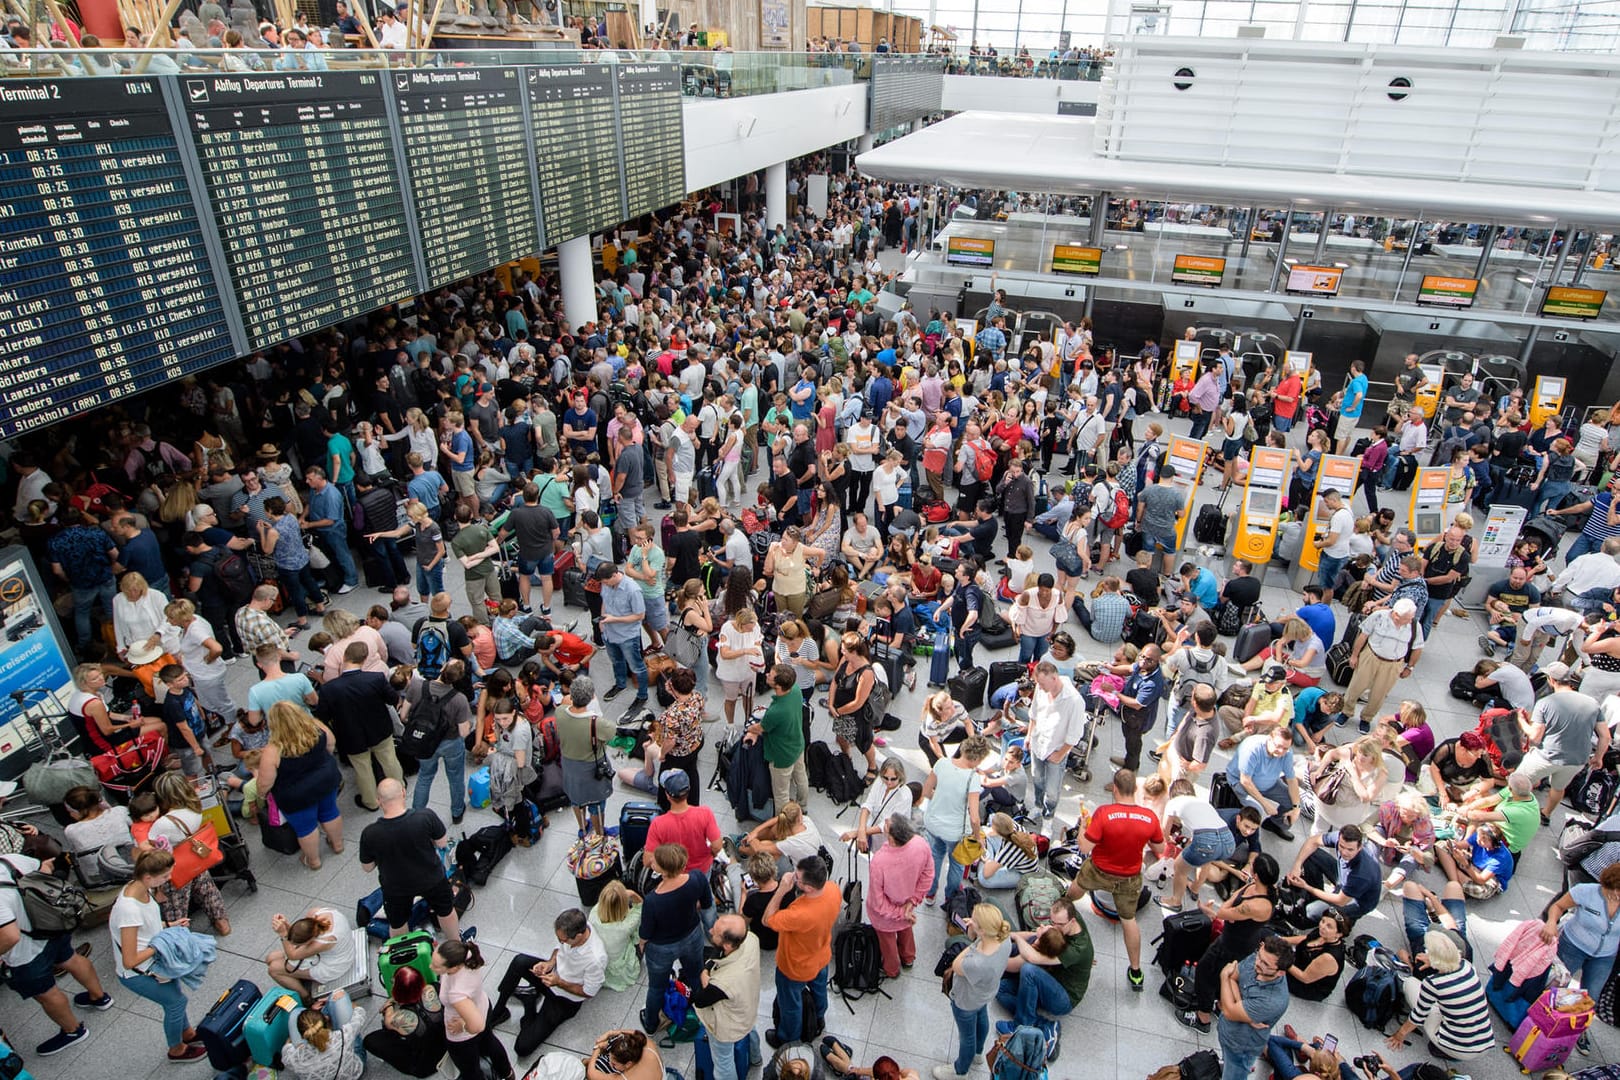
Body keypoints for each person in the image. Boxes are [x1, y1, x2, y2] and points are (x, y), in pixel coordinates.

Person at [1063, 768, 1163, 990]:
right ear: (1135, 789)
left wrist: (1083, 825)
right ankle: (1136, 971)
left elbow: (1084, 847)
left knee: (1074, 890)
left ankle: (1058, 918)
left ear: (1115, 788)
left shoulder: (1104, 813)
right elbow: (1161, 847)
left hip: (1099, 869)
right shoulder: (1150, 817)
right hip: (1129, 877)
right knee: (1129, 920)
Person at [1179, 853, 1280, 1033]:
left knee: (1205, 971)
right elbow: (1230, 907)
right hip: (1237, 938)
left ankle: (1203, 1017)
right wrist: (1230, 910)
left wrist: (1223, 910)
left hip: (1233, 944)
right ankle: (1218, 1005)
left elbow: (1224, 911)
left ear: (1256, 874)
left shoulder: (1256, 904)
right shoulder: (1258, 888)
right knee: (1221, 974)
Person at [485, 908, 606, 1057]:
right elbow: (559, 948)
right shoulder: (576, 927)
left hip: (565, 1000)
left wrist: (559, 982)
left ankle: (530, 1002)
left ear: (579, 936)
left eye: (564, 940)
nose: (561, 942)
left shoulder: (595, 958)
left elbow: (589, 992)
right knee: (519, 961)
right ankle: (499, 1010)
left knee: (522, 1048)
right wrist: (549, 963)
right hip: (552, 976)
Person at [358, 778, 462, 941]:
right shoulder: (425, 816)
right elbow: (442, 843)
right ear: (404, 793)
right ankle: (456, 944)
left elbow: (367, 867)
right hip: (432, 878)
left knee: (398, 922)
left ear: (379, 801)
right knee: (446, 911)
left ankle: (402, 952)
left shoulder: (370, 833)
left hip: (395, 887)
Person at [316, 640, 405, 812]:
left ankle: (371, 802)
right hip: (380, 730)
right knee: (389, 761)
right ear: (364, 660)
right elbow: (393, 700)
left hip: (351, 737)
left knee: (362, 769)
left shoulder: (330, 689)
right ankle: (398, 789)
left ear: (345, 658)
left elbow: (321, 717)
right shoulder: (376, 679)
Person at [992, 896, 1093, 1046]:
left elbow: (1032, 958)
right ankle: (1043, 1024)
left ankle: (1021, 1025)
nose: (1053, 927)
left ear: (1072, 921)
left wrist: (1015, 938)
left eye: (1059, 924)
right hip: (1050, 976)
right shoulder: (1069, 921)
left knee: (1029, 970)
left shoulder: (1077, 949)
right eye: (1052, 922)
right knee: (1001, 989)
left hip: (1064, 996)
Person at [763, 855, 842, 1047]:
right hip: (821, 955)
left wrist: (782, 889)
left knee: (790, 1005)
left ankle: (788, 1037)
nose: (791, 877)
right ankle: (819, 1017)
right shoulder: (833, 889)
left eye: (796, 877)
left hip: (795, 967)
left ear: (808, 888)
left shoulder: (798, 915)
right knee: (819, 989)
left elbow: (767, 919)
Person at [258, 702, 345, 872]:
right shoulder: (315, 727)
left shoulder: (273, 750)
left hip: (295, 794)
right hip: (326, 779)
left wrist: (261, 795)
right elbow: (331, 743)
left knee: (306, 827)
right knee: (330, 812)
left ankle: (314, 861)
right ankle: (338, 845)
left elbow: (265, 782)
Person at [1519, 660, 1607, 822]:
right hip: (1577, 760)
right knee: (1558, 787)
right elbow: (1605, 736)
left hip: (1547, 756)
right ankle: (1546, 814)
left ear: (1551, 680)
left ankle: (1515, 814)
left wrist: (1521, 721)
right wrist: (1598, 758)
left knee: (1518, 783)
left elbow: (1535, 736)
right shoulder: (1592, 703)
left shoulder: (1545, 703)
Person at [638, 842, 712, 1033]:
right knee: (696, 974)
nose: (651, 861)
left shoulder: (652, 900)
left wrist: (641, 945)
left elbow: (645, 933)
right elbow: (705, 903)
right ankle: (702, 1011)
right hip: (692, 936)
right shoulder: (696, 878)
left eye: (656, 862)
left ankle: (651, 1024)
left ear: (663, 870)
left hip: (661, 947)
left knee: (657, 987)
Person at [1385, 930, 1492, 1061]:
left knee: (1410, 983)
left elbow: (1419, 1015)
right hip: (1485, 1042)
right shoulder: (1468, 967)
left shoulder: (1433, 983)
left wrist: (1399, 1034)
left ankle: (1443, 1046)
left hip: (1459, 1048)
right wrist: (1435, 961)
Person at [148, 771, 231, 935]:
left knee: (175, 906)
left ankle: (179, 934)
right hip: (196, 857)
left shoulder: (163, 824)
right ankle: (222, 923)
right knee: (208, 891)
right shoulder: (195, 806)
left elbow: (153, 847)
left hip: (177, 868)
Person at [936, 903, 1013, 1080]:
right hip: (985, 993)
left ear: (984, 931)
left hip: (966, 1000)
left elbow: (957, 964)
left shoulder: (977, 962)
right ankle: (978, 1053)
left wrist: (972, 939)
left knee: (966, 1037)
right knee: (982, 1018)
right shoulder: (1005, 939)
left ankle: (960, 1070)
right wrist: (977, 931)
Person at [920, 735, 991, 905]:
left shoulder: (942, 763)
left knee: (935, 857)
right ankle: (951, 898)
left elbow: (926, 791)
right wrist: (978, 837)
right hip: (955, 832)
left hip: (933, 823)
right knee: (957, 864)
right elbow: (974, 817)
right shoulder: (972, 778)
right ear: (978, 758)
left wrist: (940, 800)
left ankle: (930, 894)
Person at [692, 913, 762, 1080]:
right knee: (750, 1030)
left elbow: (700, 1000)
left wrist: (704, 974)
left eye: (714, 933)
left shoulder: (723, 982)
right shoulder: (751, 939)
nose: (709, 930)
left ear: (729, 945)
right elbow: (719, 951)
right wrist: (709, 966)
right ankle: (756, 1059)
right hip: (747, 1007)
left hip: (727, 1026)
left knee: (723, 1063)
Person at [404, 659, 474, 826]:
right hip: (450, 743)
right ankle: (457, 812)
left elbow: (403, 716)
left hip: (424, 742)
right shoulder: (459, 700)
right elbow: (463, 732)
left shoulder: (417, 686)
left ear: (442, 668)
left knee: (425, 776)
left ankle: (417, 814)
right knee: (455, 777)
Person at [1215, 935, 1294, 1080]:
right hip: (1228, 1032)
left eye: (1265, 964)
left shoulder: (1273, 1000)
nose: (1257, 963)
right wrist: (1240, 1006)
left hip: (1241, 1048)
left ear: (1281, 972)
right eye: (1259, 956)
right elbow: (1233, 978)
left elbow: (1228, 1010)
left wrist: (1223, 976)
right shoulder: (1259, 958)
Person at [434, 940, 514, 1080]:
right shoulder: (467, 955)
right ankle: (508, 1074)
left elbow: (477, 1025)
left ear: (453, 968)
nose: (431, 966)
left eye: (436, 966)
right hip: (482, 1007)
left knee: (469, 1069)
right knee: (489, 1041)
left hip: (464, 1034)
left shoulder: (456, 993)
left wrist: (463, 1024)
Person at [867, 813, 934, 979]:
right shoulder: (920, 844)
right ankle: (908, 958)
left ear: (891, 838)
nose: (885, 822)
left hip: (885, 916)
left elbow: (878, 901)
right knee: (906, 930)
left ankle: (892, 970)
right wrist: (911, 904)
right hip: (908, 904)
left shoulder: (879, 861)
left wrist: (900, 913)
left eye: (887, 824)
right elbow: (928, 874)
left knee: (887, 943)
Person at [1340, 598, 1425, 729]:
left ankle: (1366, 718)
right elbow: (1363, 636)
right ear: (1396, 615)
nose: (1410, 620)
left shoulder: (1414, 626)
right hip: (1371, 656)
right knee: (1356, 686)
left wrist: (1410, 667)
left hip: (1393, 664)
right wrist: (1354, 655)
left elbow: (1418, 647)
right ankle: (1346, 712)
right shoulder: (1378, 617)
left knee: (1379, 694)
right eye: (1407, 618)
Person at [1542, 863, 1620, 994]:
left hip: (1605, 955)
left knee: (1591, 997)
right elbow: (1558, 906)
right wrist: (1551, 922)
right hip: (1572, 947)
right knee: (1553, 989)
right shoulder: (1585, 891)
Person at [1160, 779, 1237, 910]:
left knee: (1179, 868)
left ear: (1172, 793)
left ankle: (1175, 901)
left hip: (1207, 840)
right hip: (1228, 840)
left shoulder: (1173, 802)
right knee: (1206, 860)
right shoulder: (1204, 803)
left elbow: (1165, 829)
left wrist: (1168, 839)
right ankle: (1195, 888)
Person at [1025, 660, 1085, 830]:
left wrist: (1060, 755)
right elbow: (1034, 713)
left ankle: (1048, 818)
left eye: (1043, 683)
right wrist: (1029, 735)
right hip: (1038, 744)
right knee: (1037, 779)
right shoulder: (1041, 689)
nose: (1040, 687)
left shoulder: (1074, 701)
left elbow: (1075, 734)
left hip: (1056, 750)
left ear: (1054, 678)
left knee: (1052, 789)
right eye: (1039, 684)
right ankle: (1037, 806)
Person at [1285, 824, 1382, 924]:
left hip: (1356, 900)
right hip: (1343, 879)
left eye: (1350, 849)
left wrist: (1306, 886)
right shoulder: (1341, 838)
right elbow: (1313, 841)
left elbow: (1340, 900)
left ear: (1360, 847)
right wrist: (1297, 866)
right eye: (1341, 846)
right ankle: (1315, 896)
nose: (1344, 852)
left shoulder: (1362, 874)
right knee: (1311, 854)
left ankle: (1346, 921)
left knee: (1311, 911)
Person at [555, 676, 612, 836]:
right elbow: (611, 733)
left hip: (569, 765)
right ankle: (600, 833)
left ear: (571, 695)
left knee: (576, 799)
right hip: (591, 769)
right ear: (591, 698)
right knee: (596, 803)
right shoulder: (597, 724)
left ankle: (582, 827)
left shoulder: (560, 712)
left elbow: (564, 705)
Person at [363, 965, 445, 1077]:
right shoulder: (434, 988)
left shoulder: (395, 1019)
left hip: (423, 1067)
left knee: (369, 1040)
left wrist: (389, 1006)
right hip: (448, 1047)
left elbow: (388, 1019)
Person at [749, 666, 809, 813]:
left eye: (771, 675)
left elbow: (761, 728)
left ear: (779, 686)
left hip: (781, 756)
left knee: (781, 793)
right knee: (801, 777)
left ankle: (782, 824)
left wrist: (750, 730)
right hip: (797, 744)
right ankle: (803, 806)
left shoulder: (776, 711)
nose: (767, 675)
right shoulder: (795, 690)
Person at [266, 906, 358, 1001]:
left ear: (310, 941)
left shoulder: (324, 941)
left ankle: (306, 997)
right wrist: (286, 926)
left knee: (273, 969)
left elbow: (292, 955)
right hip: (336, 951)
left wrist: (283, 934)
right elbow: (302, 933)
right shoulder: (316, 913)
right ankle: (298, 977)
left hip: (335, 965)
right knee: (270, 958)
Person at [1227, 728, 1302, 840]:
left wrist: (1297, 808)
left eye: (1285, 748)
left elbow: (1291, 780)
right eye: (1278, 746)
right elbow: (1245, 781)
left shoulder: (1287, 753)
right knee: (1256, 811)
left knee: (1292, 800)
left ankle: (1274, 824)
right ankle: (1243, 835)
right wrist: (1265, 804)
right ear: (1269, 739)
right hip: (1242, 784)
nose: (1281, 751)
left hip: (1270, 782)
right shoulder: (1252, 748)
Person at [597, 562, 651, 707]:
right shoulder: (606, 584)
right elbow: (605, 601)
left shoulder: (633, 590)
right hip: (609, 633)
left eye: (607, 581)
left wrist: (614, 619)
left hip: (627, 636)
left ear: (615, 575)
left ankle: (642, 695)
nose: (605, 584)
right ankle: (620, 684)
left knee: (637, 667)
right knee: (616, 661)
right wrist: (602, 619)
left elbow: (640, 615)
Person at [841, 758, 913, 855]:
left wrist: (858, 832)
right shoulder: (880, 781)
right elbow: (868, 804)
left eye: (893, 779)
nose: (889, 782)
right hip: (874, 832)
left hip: (892, 840)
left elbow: (887, 824)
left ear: (900, 776)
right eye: (886, 778)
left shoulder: (904, 796)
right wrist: (862, 829)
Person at [1278, 909, 1351, 1002]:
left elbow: (1305, 978)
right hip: (1298, 963)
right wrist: (1282, 939)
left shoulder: (1329, 957)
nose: (1323, 926)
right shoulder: (1322, 933)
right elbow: (1305, 938)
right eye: (1323, 921)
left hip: (1307, 985)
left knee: (1270, 961)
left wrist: (1283, 959)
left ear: (1339, 934)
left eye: (1329, 926)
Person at [586, 1029, 664, 1080]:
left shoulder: (623, 1078)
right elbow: (637, 1035)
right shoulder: (649, 1046)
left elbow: (591, 1074)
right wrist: (612, 1032)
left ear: (628, 1064)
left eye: (613, 1064)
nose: (610, 1063)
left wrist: (597, 1047)